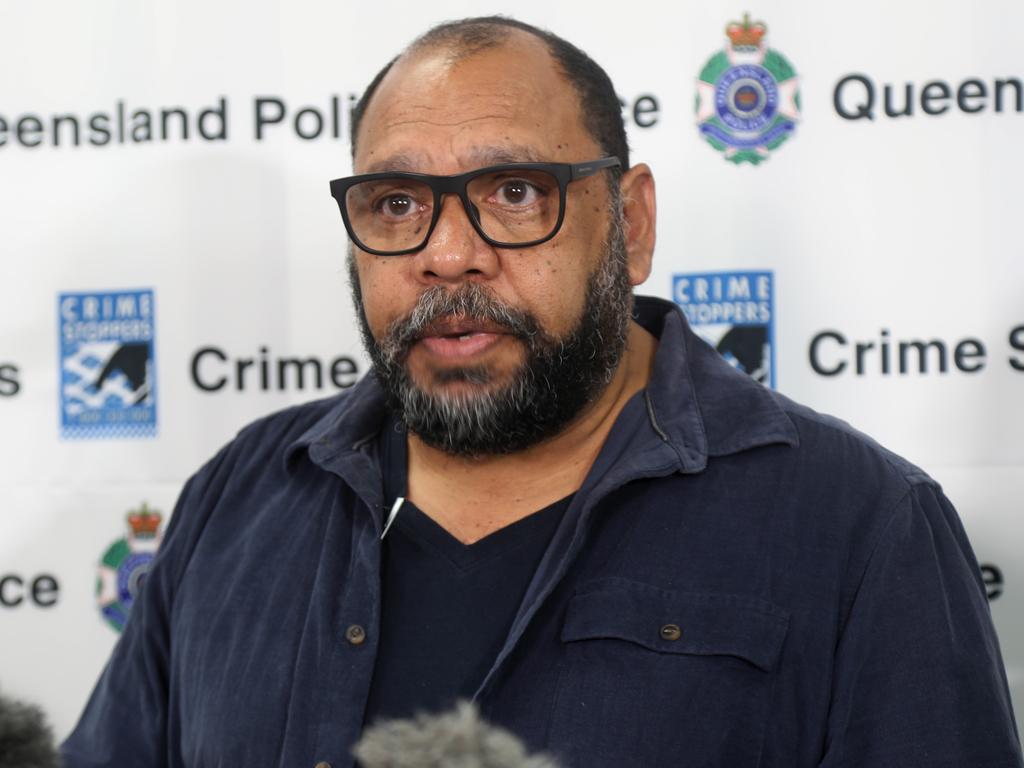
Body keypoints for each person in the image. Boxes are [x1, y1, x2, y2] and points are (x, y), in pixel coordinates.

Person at [63, 16, 1023, 768]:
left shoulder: (860, 526)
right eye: (396, 204)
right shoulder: (241, 497)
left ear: (632, 221)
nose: (448, 252)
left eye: (516, 192)